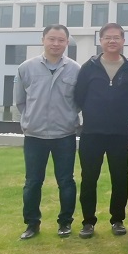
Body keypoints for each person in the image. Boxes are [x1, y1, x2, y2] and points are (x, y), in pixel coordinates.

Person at [74, 23, 128, 238]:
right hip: (91, 132)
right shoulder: (89, 67)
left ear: (123, 41)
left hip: (119, 133)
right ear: (101, 41)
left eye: (116, 37)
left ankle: (117, 220)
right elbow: (79, 95)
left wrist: (122, 117)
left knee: (120, 177)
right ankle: (88, 222)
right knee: (89, 178)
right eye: (107, 37)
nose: (112, 41)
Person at [15, 24, 81, 239]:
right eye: (51, 39)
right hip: (35, 135)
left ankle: (65, 223)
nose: (56, 44)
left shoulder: (75, 69)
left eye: (61, 40)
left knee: (66, 181)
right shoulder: (26, 68)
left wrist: (68, 118)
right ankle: (32, 224)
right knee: (33, 182)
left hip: (64, 135)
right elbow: (20, 101)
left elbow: (78, 101)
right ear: (43, 39)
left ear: (67, 42)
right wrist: (30, 120)